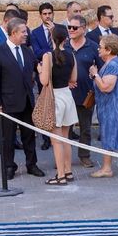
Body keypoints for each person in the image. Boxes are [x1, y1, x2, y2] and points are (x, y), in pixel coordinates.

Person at [0, 17, 43, 179]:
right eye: (24, 32)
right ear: (13, 33)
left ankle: (31, 164)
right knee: (8, 138)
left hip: (27, 102)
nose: (27, 34)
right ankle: (9, 166)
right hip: (7, 104)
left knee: (29, 136)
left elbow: (37, 68)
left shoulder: (27, 50)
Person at [88, 35, 118, 178]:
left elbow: (105, 87)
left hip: (113, 106)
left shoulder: (113, 65)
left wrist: (95, 74)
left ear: (108, 50)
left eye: (101, 47)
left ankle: (107, 168)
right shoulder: (115, 62)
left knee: (108, 134)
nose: (98, 49)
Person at [42, 24, 77, 185]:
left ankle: (60, 175)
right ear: (66, 38)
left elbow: (44, 81)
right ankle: (68, 171)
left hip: (55, 97)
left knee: (56, 140)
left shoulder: (48, 56)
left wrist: (39, 68)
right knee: (65, 138)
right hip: (67, 95)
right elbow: (73, 79)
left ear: (52, 37)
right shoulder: (71, 55)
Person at [66, 14, 101, 169]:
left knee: (85, 127)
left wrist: (95, 74)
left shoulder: (93, 47)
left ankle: (84, 156)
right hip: (66, 95)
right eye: (69, 27)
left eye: (75, 27)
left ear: (84, 29)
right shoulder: (63, 46)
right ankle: (64, 158)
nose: (71, 30)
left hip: (86, 94)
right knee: (65, 128)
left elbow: (102, 66)